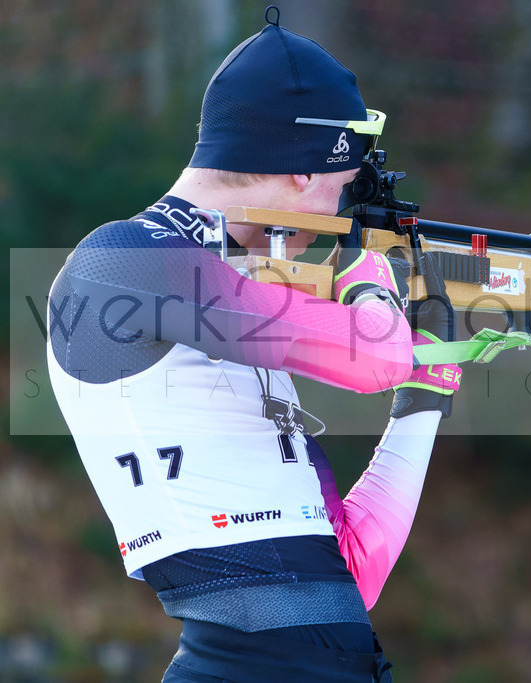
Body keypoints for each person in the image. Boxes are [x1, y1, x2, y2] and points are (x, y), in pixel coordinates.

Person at [46, 7, 460, 681]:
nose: (335, 214)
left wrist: (424, 398)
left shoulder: (231, 305)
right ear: (303, 171)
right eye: (340, 189)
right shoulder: (124, 259)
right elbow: (376, 356)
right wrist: (368, 271)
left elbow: (350, 579)